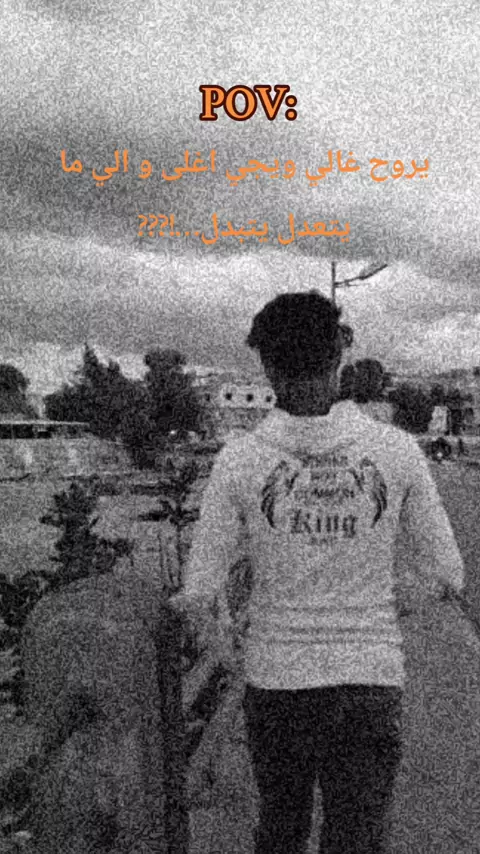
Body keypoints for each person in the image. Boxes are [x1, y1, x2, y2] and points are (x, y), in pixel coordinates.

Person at [173, 292, 465, 854]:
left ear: (267, 367)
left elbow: (198, 593)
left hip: (276, 681)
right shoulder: (397, 450)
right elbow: (447, 573)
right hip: (369, 679)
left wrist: (229, 649)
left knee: (280, 829)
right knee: (356, 836)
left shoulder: (239, 458)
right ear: (339, 355)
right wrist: (381, 607)